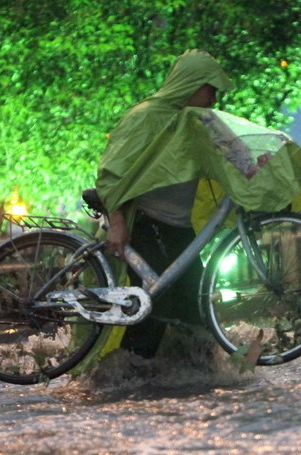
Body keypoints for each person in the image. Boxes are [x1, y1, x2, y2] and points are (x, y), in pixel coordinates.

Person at [95, 49, 234, 358]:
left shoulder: (201, 122)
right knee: (156, 307)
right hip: (146, 224)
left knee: (198, 306)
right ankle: (121, 379)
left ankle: (200, 378)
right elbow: (109, 174)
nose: (214, 98)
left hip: (180, 231)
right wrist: (116, 222)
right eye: (210, 89)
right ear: (192, 84)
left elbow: (238, 157)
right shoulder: (145, 116)